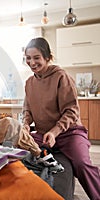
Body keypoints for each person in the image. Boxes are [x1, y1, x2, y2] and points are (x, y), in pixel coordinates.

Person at [22, 37, 100, 200]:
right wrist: (25, 124)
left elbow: (72, 111)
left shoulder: (61, 77)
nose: (32, 62)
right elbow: (27, 109)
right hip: (43, 134)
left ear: (48, 58)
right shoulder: (29, 82)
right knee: (20, 151)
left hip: (68, 133)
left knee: (81, 164)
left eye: (37, 58)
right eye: (28, 58)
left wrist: (54, 132)